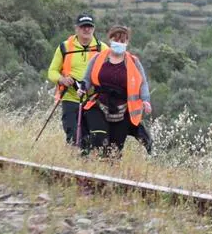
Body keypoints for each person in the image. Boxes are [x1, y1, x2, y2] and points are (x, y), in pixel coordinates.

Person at [80, 25, 152, 155]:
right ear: (110, 40)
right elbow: (86, 79)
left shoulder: (134, 62)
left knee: (114, 150)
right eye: (116, 40)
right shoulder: (97, 58)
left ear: (127, 43)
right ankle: (88, 157)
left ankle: (105, 170)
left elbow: (143, 83)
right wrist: (83, 88)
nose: (119, 43)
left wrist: (146, 100)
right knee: (99, 138)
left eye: (122, 41)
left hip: (122, 110)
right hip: (98, 104)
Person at [46, 14, 102, 145]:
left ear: (93, 29)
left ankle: (85, 161)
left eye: (89, 26)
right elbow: (52, 71)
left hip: (92, 100)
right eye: (83, 26)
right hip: (69, 97)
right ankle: (73, 158)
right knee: (72, 133)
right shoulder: (64, 47)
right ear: (76, 28)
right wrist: (62, 79)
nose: (86, 30)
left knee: (90, 137)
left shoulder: (102, 49)